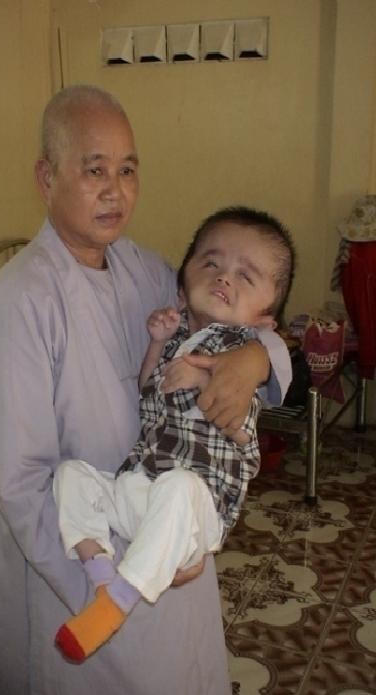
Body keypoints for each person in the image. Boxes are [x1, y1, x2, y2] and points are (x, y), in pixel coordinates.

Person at [0, 85, 291, 695]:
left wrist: (256, 359)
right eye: (95, 170)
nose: (115, 190)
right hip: (79, 571)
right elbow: (22, 484)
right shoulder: (22, 299)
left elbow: (235, 318)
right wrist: (106, 589)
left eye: (128, 170)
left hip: (163, 535)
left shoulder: (145, 269)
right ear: (46, 177)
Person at [53, 206, 295, 663]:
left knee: (180, 488)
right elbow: (148, 389)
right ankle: (100, 571)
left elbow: (242, 436)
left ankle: (114, 605)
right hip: (141, 484)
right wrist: (158, 344)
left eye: (245, 276)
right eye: (211, 262)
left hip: (198, 503)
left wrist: (206, 381)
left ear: (264, 321)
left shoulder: (243, 352)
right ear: (182, 288)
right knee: (72, 476)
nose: (224, 277)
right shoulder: (178, 334)